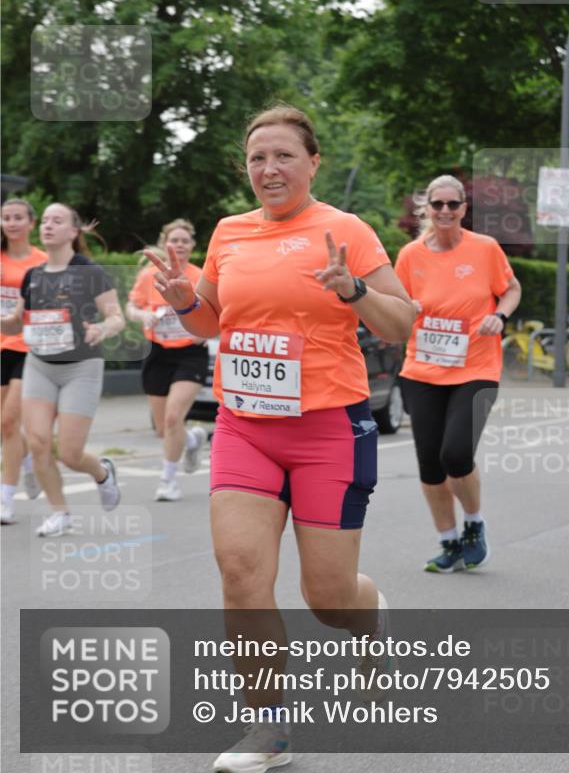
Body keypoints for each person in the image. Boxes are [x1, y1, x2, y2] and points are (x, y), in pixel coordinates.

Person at [144, 104, 414, 773]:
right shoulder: (229, 232)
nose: (269, 168)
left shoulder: (345, 230)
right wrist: (184, 300)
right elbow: (210, 321)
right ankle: (269, 729)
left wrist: (353, 290)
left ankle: (369, 614)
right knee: (240, 573)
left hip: (329, 430)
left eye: (284, 155)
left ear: (312, 162)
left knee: (328, 599)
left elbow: (402, 323)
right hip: (245, 427)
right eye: (257, 157)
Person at [395, 175, 521, 574]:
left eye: (453, 204)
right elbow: (395, 305)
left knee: (455, 453)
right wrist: (407, 308)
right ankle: (448, 543)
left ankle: (474, 523)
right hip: (422, 370)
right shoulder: (410, 255)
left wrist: (500, 316)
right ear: (427, 208)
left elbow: (512, 289)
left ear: (464, 209)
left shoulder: (484, 249)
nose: (445, 211)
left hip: (476, 367)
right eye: (438, 204)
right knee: (430, 465)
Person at [0, 203, 124, 537]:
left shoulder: (89, 271)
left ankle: (102, 473)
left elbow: (116, 317)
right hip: (39, 365)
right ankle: (60, 513)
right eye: (46, 220)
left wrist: (102, 328)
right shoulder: (33, 275)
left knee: (69, 453)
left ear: (73, 231)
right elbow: (15, 323)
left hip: (80, 368)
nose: (48, 225)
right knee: (38, 443)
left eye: (58, 221)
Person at [126, 219, 208, 501]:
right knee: (164, 428)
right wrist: (142, 315)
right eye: (175, 240)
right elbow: (132, 306)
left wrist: (206, 329)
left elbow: (218, 310)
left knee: (174, 417)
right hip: (157, 351)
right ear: (164, 244)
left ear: (192, 246)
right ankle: (193, 439)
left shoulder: (200, 276)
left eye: (185, 241)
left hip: (190, 353)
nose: (180, 245)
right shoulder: (149, 275)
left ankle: (168, 480)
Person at [1, 198, 47, 523]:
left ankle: (6, 499)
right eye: (6, 218)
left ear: (31, 223)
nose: (12, 223)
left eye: (18, 217)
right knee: (4, 426)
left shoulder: (42, 261)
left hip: (28, 347)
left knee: (8, 422)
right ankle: (27, 460)